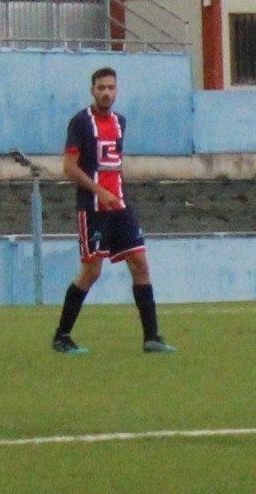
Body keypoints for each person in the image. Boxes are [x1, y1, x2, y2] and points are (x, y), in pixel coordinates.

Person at [52, 66, 171, 355]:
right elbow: (69, 168)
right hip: (93, 208)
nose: (106, 93)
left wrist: (115, 192)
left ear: (116, 91)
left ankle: (151, 337)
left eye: (111, 88)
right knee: (91, 271)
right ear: (92, 90)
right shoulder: (80, 122)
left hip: (119, 205)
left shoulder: (121, 122)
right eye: (101, 88)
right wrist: (99, 191)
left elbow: (113, 165)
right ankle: (62, 336)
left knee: (140, 263)